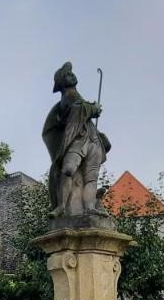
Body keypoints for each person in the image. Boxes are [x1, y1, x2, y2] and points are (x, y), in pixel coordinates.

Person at [41, 62, 111, 218]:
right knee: (68, 169)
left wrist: (92, 109)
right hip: (77, 139)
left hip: (92, 138)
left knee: (91, 177)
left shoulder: (76, 95)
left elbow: (81, 109)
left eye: (71, 72)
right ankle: (61, 206)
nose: (71, 75)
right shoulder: (67, 97)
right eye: (67, 74)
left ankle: (90, 207)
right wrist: (93, 108)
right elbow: (76, 109)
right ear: (61, 83)